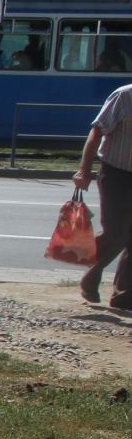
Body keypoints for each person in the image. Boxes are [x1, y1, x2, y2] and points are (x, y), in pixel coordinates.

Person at [75, 83, 132, 311]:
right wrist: (84, 170)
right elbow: (97, 131)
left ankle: (124, 297)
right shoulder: (124, 95)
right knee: (115, 233)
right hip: (116, 173)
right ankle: (91, 272)